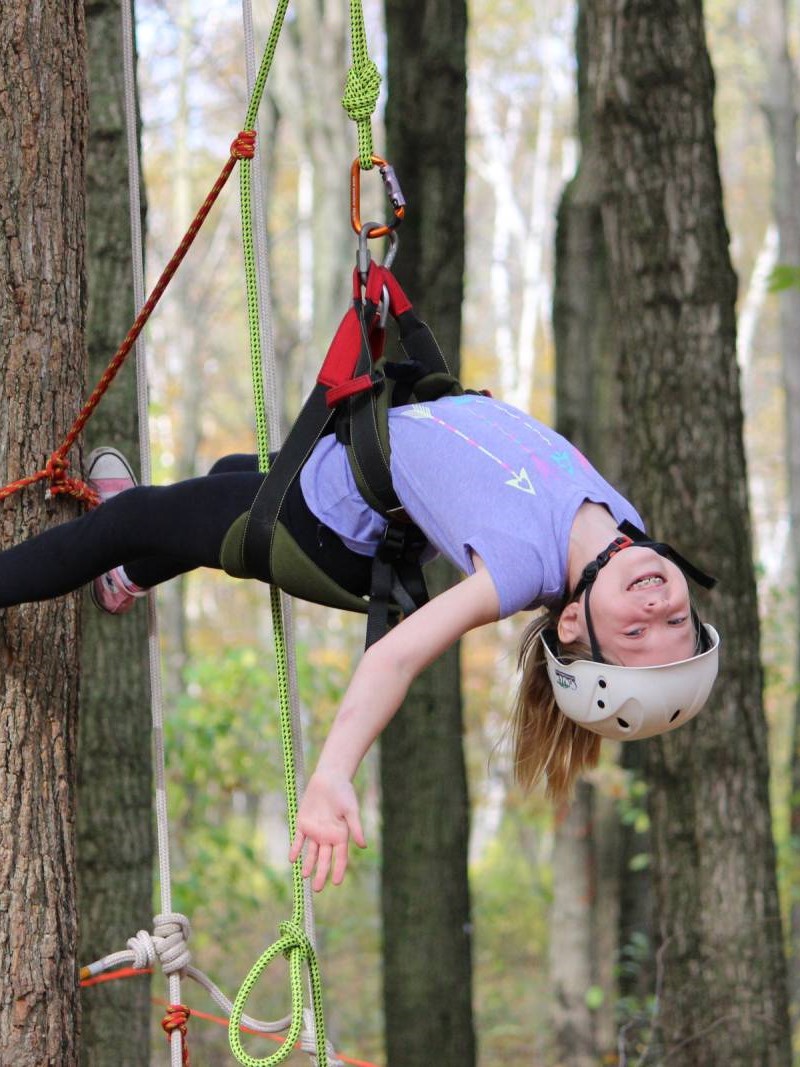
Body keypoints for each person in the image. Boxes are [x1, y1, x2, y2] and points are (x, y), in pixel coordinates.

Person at [0, 392, 719, 890]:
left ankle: (107, 554)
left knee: (135, 519)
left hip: (321, 524)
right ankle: (131, 574)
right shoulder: (623, 523)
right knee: (223, 480)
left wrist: (333, 772)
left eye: (635, 631)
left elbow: (395, 654)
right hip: (343, 467)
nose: (658, 605)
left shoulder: (522, 567)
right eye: (674, 623)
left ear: (572, 624)